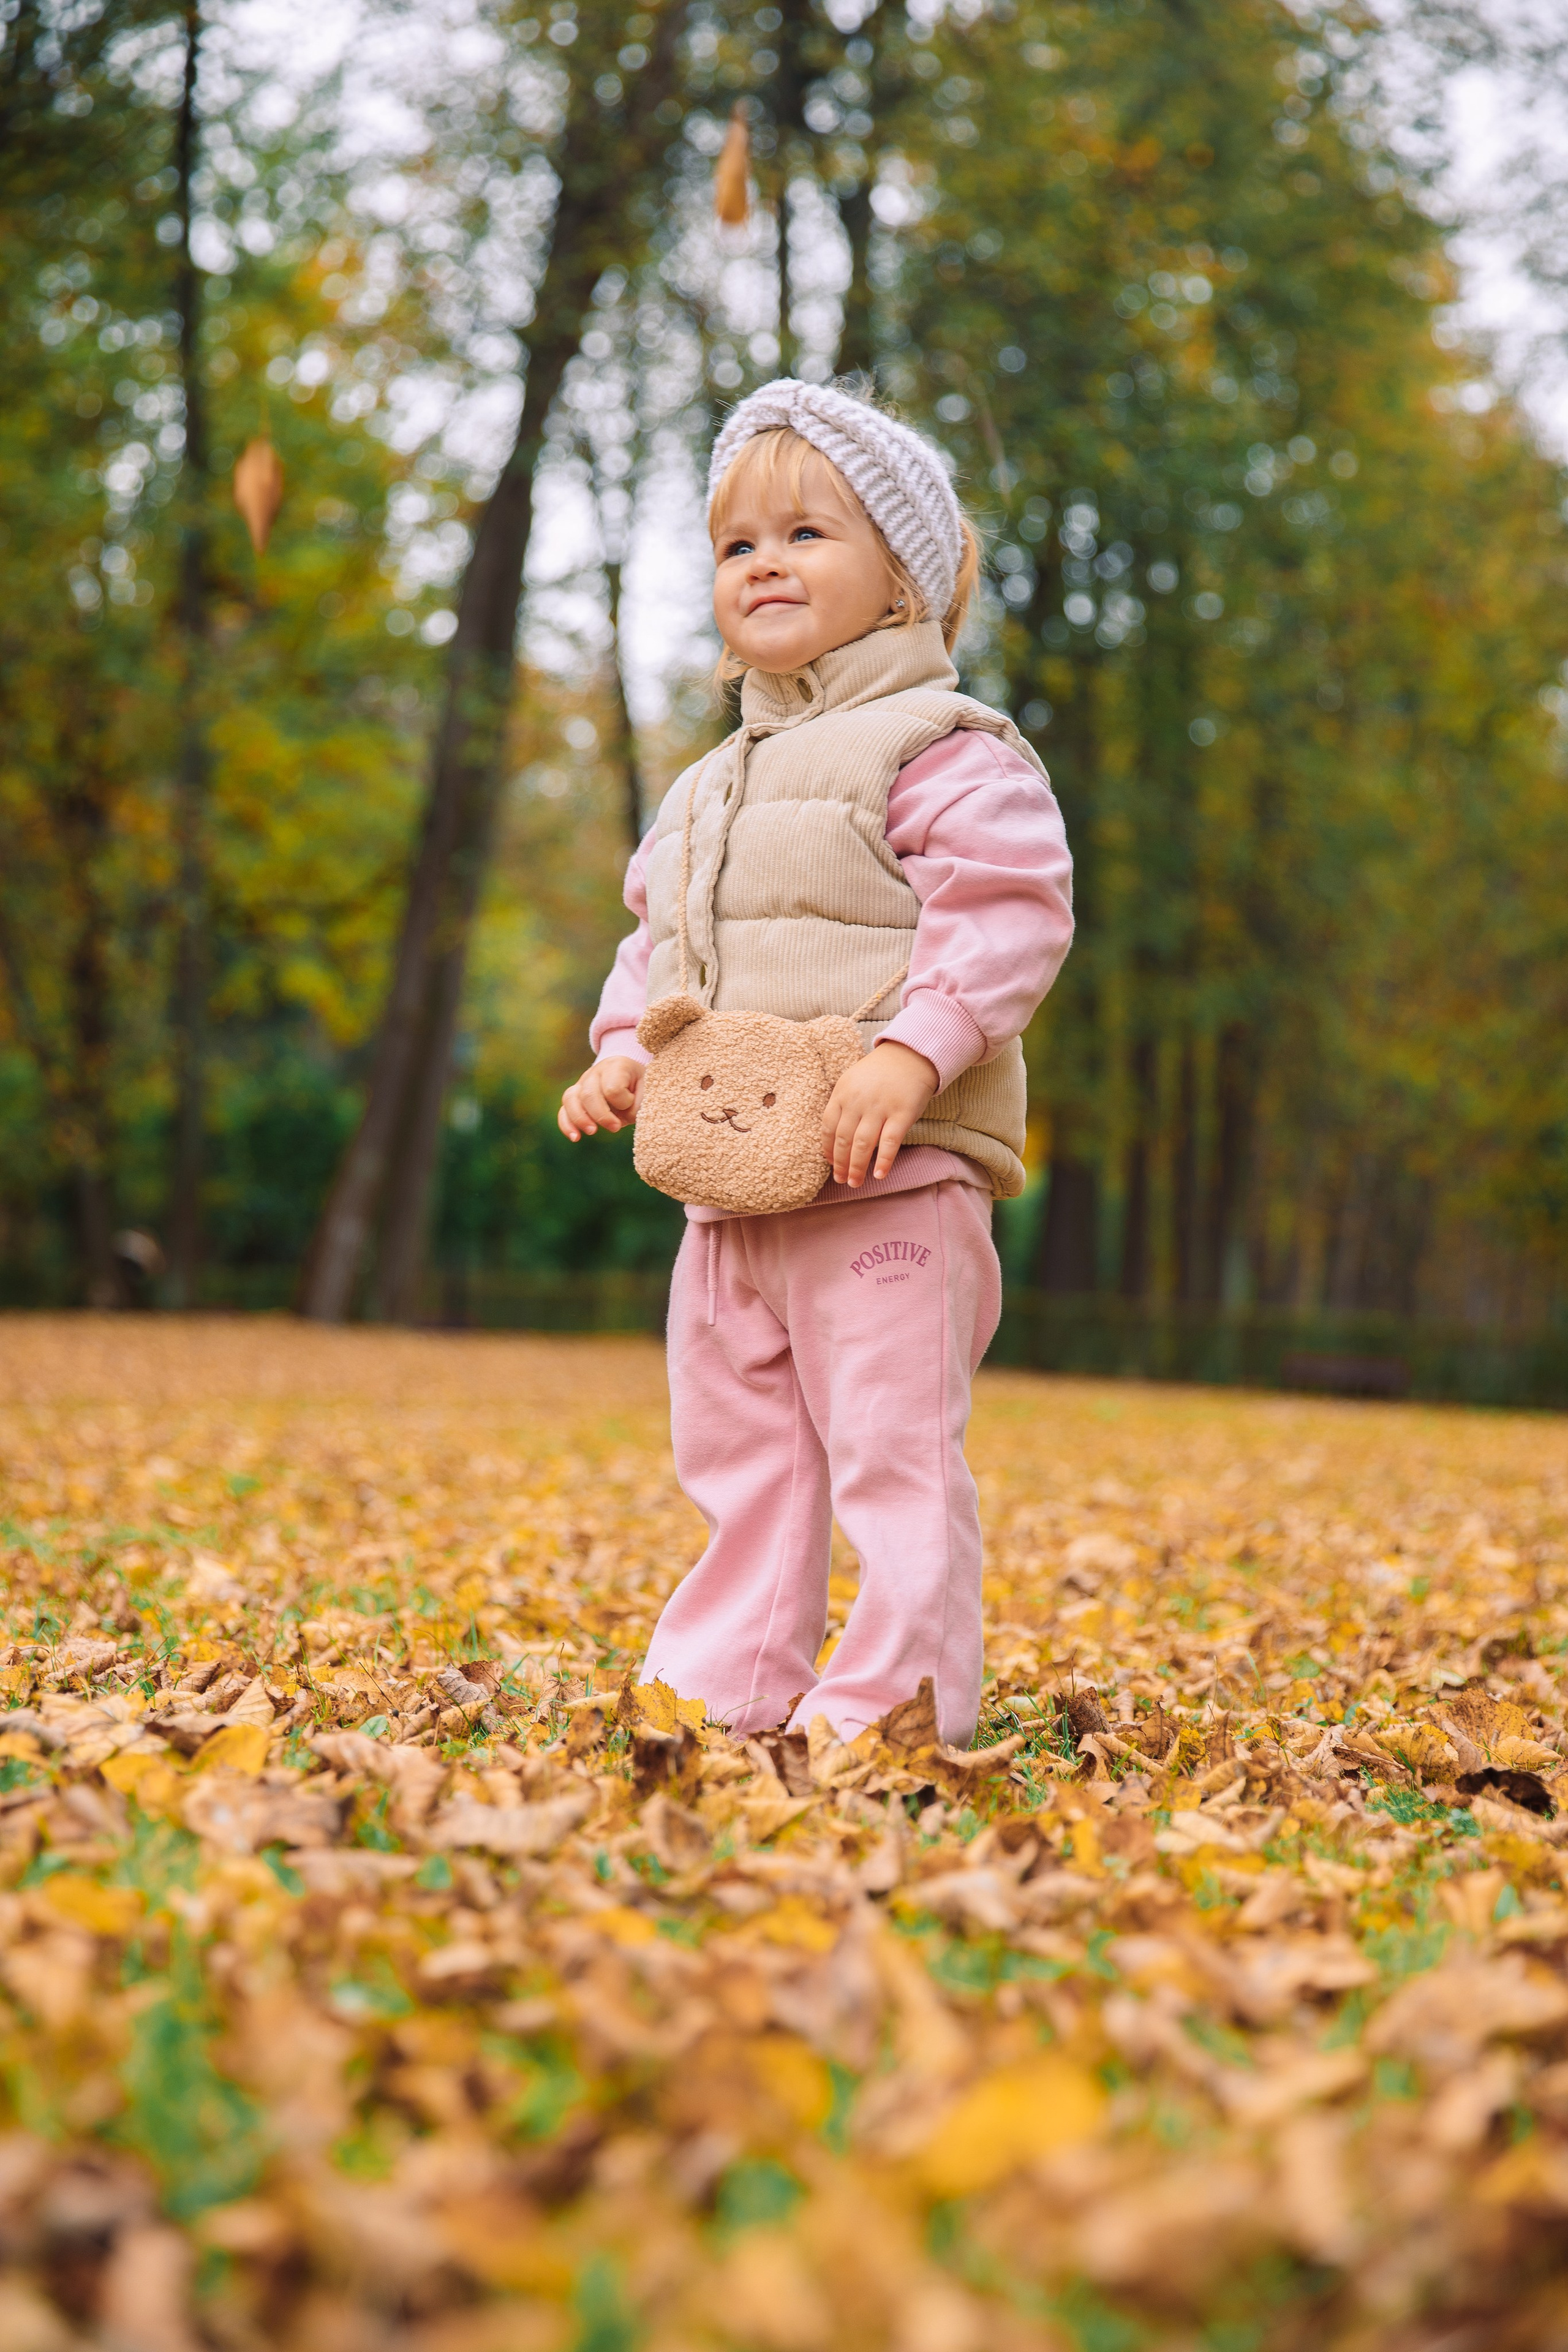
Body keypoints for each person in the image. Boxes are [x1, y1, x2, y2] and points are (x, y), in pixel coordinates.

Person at [559, 380, 1073, 1747]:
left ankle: (892, 1707)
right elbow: (657, 943)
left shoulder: (946, 751)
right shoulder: (705, 784)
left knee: (890, 1460)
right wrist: (620, 1051)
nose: (765, 562)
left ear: (903, 579)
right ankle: (726, 1688)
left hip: (885, 1184)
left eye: (806, 534)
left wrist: (916, 1053)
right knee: (743, 1458)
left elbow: (1008, 910)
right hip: (727, 1191)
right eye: (737, 545)